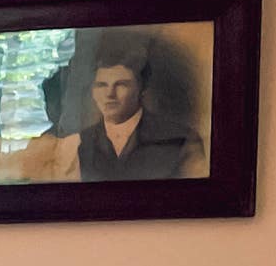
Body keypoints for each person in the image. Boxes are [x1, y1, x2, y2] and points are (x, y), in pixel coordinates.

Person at [70, 33, 202, 180]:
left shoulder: (181, 140)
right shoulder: (80, 143)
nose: (109, 94)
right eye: (101, 85)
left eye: (121, 85)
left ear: (142, 88)